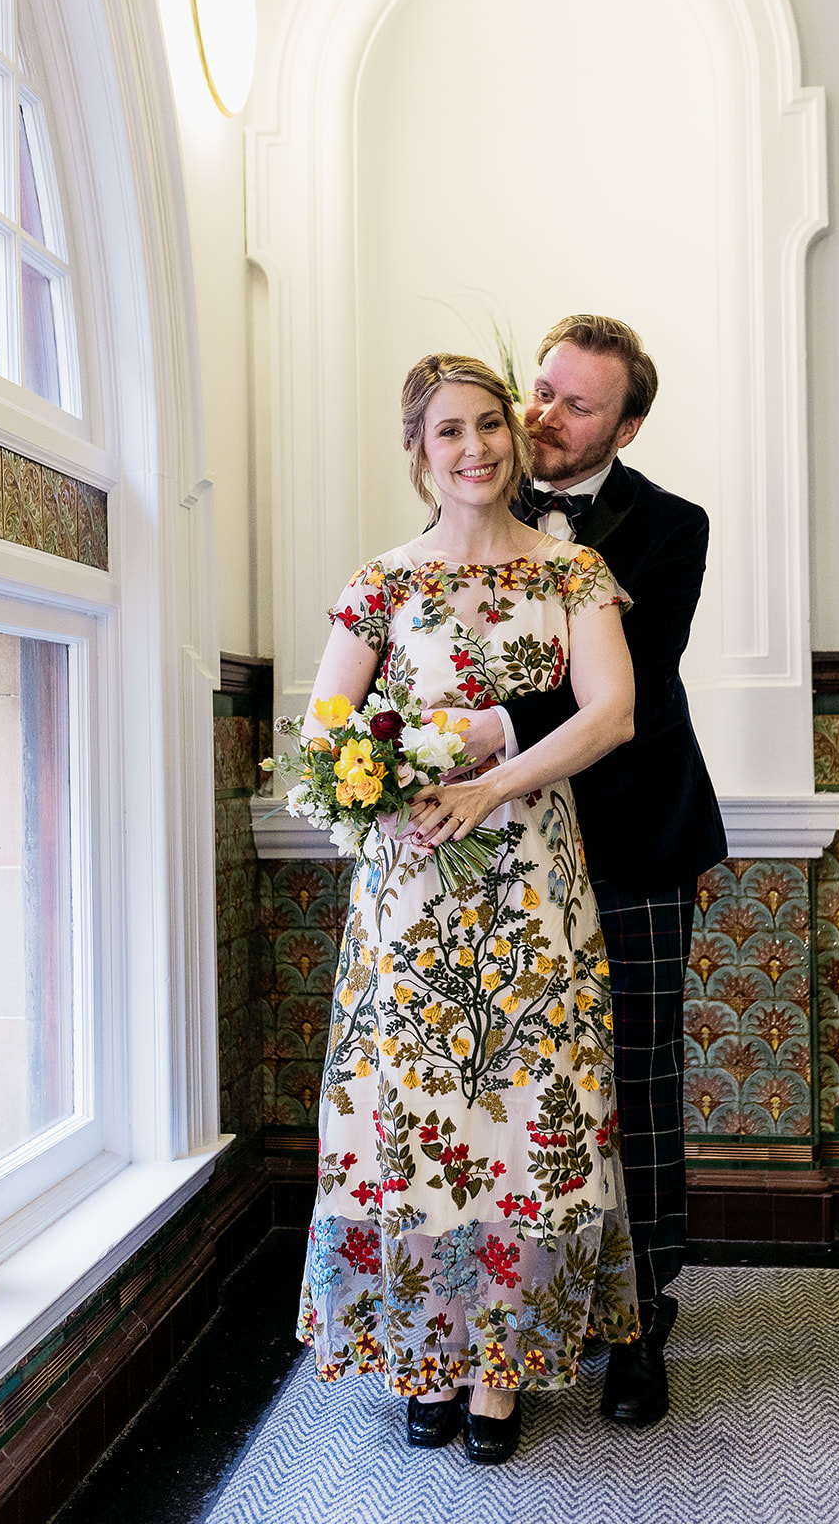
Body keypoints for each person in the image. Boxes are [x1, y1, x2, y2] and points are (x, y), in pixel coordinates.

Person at [296, 352, 640, 1466]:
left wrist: (494, 779)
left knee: (526, 1108)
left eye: (489, 424)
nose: (475, 449)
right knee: (420, 1117)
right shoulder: (381, 583)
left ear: (511, 432)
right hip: (412, 895)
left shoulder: (571, 573)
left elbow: (612, 713)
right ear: (418, 450)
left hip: (534, 882)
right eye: (447, 432)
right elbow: (321, 733)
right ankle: (426, 1355)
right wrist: (380, 787)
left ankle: (501, 1369)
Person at [441, 316, 726, 1427]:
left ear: (627, 424)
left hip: (632, 843)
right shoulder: (468, 506)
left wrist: (481, 735)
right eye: (543, 392)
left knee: (635, 1082)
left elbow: (631, 687)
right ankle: (500, 1327)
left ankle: (639, 1325)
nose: (545, 418)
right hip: (498, 857)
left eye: (578, 405)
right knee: (509, 1091)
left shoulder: (667, 527)